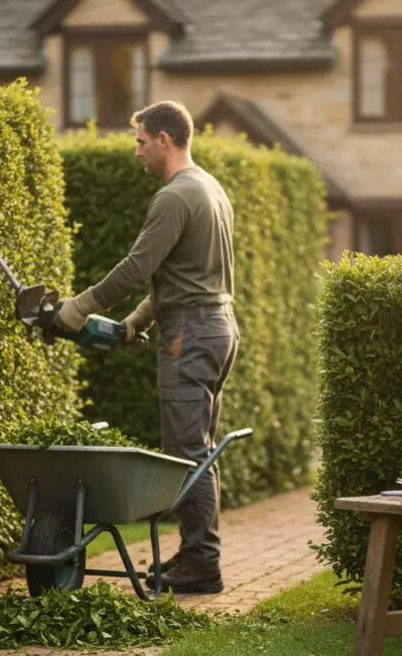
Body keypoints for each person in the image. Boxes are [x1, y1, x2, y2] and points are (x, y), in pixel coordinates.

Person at [54, 100, 238, 594]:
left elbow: (138, 267)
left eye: (139, 141)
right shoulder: (210, 188)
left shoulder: (175, 197)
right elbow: (185, 272)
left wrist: (77, 308)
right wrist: (140, 317)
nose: (135, 151)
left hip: (190, 333)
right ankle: (198, 553)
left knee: (185, 454)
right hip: (217, 325)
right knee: (198, 450)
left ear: (163, 139)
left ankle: (202, 565)